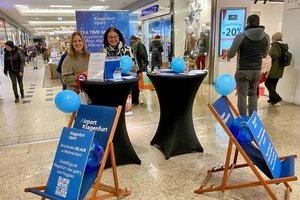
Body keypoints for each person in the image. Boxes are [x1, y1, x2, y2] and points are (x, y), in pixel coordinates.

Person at [227, 14, 270, 116]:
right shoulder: (266, 37)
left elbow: (230, 54)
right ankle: (252, 120)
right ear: (258, 23)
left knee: (242, 96)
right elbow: (265, 55)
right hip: (256, 71)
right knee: (253, 94)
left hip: (243, 71)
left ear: (248, 23)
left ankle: (243, 121)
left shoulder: (241, 36)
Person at [102, 27, 140, 105]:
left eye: (115, 36)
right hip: (110, 87)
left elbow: (135, 68)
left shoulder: (128, 50)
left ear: (119, 37)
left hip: (125, 86)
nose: (113, 39)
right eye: (110, 37)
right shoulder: (103, 52)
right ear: (106, 38)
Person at [265, 32, 288, 105]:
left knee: (267, 83)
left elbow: (274, 54)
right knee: (273, 84)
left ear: (275, 38)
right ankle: (272, 99)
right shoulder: (284, 45)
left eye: (273, 38)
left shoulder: (275, 45)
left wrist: (268, 54)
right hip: (280, 68)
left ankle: (276, 97)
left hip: (274, 67)